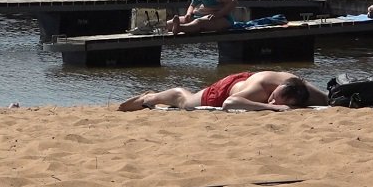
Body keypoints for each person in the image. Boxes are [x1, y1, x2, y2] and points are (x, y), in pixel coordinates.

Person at [118, 71, 328, 112]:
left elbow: (325, 98)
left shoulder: (298, 85)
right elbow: (229, 103)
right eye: (273, 97)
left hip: (244, 80)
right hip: (224, 92)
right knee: (184, 100)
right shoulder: (261, 90)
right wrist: (273, 108)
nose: (272, 101)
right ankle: (150, 97)